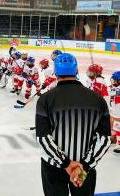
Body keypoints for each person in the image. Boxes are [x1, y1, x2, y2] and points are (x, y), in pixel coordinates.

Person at [36, 53, 111, 196]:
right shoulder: (98, 100)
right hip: (83, 170)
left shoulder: (45, 100)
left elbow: (43, 139)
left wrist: (66, 164)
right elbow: (104, 139)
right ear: (76, 71)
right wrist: (84, 166)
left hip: (53, 167)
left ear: (56, 72)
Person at [108, 71, 120, 153]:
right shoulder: (113, 88)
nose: (113, 81)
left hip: (118, 113)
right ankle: (117, 141)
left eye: (115, 80)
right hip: (115, 112)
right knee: (117, 128)